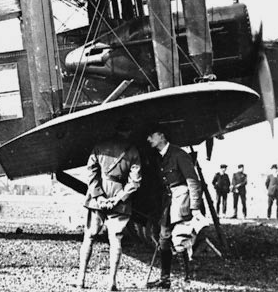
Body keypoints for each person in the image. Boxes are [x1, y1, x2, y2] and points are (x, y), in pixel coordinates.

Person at [76, 117, 142, 291]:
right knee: (116, 239)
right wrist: (119, 198)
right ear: (129, 132)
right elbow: (135, 182)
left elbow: (91, 172)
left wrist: (98, 197)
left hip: (97, 195)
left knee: (89, 237)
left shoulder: (100, 146)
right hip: (120, 197)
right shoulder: (133, 150)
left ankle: (81, 279)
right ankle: (111, 282)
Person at [146, 128, 202, 290]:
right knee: (164, 239)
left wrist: (195, 206)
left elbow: (193, 181)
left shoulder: (179, 154)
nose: (148, 139)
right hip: (167, 202)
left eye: (151, 135)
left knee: (180, 241)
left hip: (181, 200)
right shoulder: (159, 157)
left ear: (161, 136)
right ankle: (165, 279)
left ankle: (186, 280)